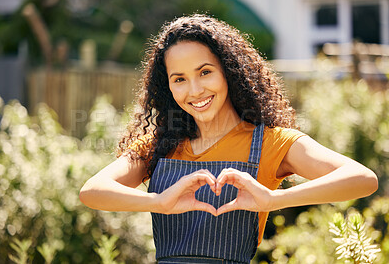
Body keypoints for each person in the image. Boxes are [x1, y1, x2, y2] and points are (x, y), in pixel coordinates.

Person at [79, 14, 378, 263]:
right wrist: (158, 202)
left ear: (229, 72)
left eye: (205, 72)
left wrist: (275, 199)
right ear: (167, 86)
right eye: (179, 79)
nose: (194, 90)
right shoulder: (160, 144)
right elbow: (92, 191)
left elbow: (362, 179)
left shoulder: (272, 143)